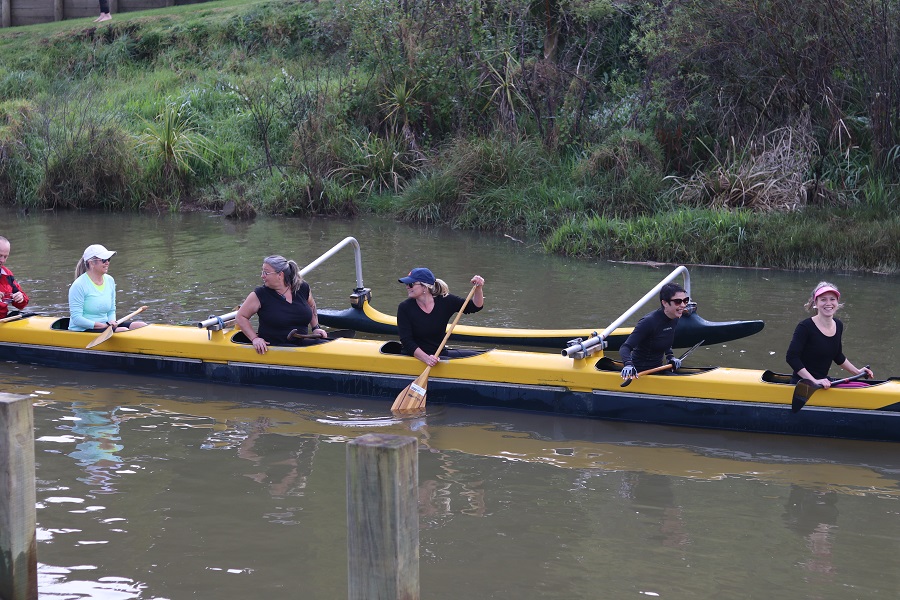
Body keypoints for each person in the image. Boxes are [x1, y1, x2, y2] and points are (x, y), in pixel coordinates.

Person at [785, 281, 873, 387]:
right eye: (823, 299)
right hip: (803, 386)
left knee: (864, 386)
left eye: (832, 299)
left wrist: (857, 372)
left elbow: (837, 356)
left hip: (824, 383)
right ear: (815, 303)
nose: (828, 303)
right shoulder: (805, 327)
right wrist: (813, 381)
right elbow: (792, 357)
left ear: (837, 302)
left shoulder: (838, 325)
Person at [236, 255, 326, 355]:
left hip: (301, 344)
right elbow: (241, 316)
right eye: (262, 272)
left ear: (280, 275)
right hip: (275, 348)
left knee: (326, 346)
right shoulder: (259, 294)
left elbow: (311, 305)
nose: (262, 276)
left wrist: (315, 327)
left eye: (266, 272)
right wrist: (255, 339)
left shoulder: (302, 287)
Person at [397, 267, 485, 366]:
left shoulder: (445, 301)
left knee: (479, 356)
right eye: (406, 284)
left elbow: (475, 306)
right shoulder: (404, 307)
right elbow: (406, 341)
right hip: (413, 358)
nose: (407, 287)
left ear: (425, 286)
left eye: (411, 284)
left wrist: (478, 288)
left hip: (439, 355)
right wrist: (426, 358)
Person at [68, 244, 147, 332]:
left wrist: (111, 322)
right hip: (83, 328)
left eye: (108, 259)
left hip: (105, 325)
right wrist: (102, 326)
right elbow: (76, 319)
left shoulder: (110, 280)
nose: (107, 263)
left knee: (141, 325)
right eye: (104, 260)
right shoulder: (79, 285)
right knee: (123, 330)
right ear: (91, 263)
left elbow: (111, 309)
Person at [619, 282, 689, 380]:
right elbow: (625, 347)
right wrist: (628, 364)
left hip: (658, 369)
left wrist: (670, 357)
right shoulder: (649, 322)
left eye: (685, 300)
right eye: (678, 301)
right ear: (664, 303)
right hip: (640, 374)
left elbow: (665, 339)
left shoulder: (675, 317)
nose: (683, 305)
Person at [0, 236, 30, 319]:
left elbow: (22, 304)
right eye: (0, 255)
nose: (2, 260)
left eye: (5, 257)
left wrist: (20, 298)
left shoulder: (7, 274)